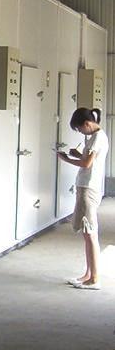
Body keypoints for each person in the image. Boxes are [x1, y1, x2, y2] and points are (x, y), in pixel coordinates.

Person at [57, 107, 109, 290]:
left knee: (90, 234)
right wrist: (77, 155)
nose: (80, 132)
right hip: (86, 186)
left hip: (89, 188)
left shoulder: (97, 138)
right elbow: (90, 160)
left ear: (87, 124)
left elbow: (87, 164)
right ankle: (88, 274)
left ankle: (94, 279)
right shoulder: (96, 137)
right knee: (87, 235)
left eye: (79, 129)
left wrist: (65, 159)